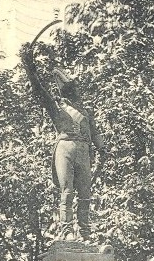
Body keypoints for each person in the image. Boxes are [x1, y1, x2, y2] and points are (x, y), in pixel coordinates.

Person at [21, 44, 105, 241]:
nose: (76, 92)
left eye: (76, 89)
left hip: (84, 151)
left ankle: (85, 232)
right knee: (67, 191)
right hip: (65, 148)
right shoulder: (57, 108)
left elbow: (95, 132)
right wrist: (30, 70)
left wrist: (102, 148)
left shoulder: (86, 112)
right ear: (65, 91)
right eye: (71, 89)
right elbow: (40, 91)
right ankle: (66, 230)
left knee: (85, 193)